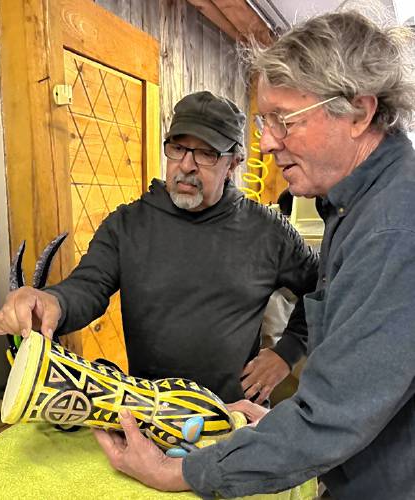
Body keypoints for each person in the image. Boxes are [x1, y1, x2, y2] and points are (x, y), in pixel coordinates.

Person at [92, 11, 415, 500]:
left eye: (284, 120)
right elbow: (350, 389)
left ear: (359, 111)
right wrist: (284, 423)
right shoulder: (358, 208)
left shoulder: (392, 228)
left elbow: (330, 421)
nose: (267, 142)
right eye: (266, 121)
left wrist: (172, 473)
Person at [0, 91, 318, 404]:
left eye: (206, 153)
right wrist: (52, 302)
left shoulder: (269, 232)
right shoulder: (127, 225)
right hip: (151, 414)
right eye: (177, 148)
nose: (186, 165)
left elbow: (324, 286)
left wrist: (287, 351)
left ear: (233, 162)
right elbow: (86, 288)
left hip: (234, 417)